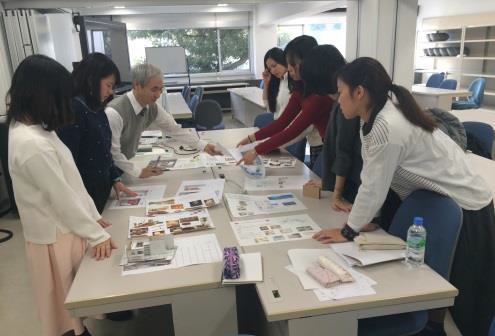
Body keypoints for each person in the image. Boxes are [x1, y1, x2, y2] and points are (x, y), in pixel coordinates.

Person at [313, 57, 495, 336]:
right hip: (441, 197)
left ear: (359, 92)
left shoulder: (387, 125)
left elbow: (373, 185)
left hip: (466, 204)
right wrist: (366, 219)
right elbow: (376, 179)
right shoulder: (375, 118)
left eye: (341, 92)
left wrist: (349, 231)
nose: (338, 100)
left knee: (461, 295)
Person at [7, 54, 116, 336]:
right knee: (64, 313)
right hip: (53, 238)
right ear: (43, 96)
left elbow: (72, 182)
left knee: (74, 306)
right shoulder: (30, 144)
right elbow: (61, 198)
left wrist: (93, 217)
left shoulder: (38, 131)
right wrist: (96, 234)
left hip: (67, 230)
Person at [237, 40, 343, 167]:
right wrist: (251, 139)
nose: (289, 68)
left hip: (334, 147)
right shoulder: (300, 89)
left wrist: (257, 149)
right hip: (328, 145)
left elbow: (293, 130)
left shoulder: (318, 96)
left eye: (293, 64)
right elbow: (282, 122)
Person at [105, 63, 220, 178]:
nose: (158, 94)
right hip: (108, 170)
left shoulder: (150, 106)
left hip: (124, 168)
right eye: (154, 89)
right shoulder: (114, 113)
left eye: (160, 89)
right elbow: (112, 152)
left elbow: (174, 129)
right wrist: (138, 172)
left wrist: (203, 145)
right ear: (137, 85)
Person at [58, 53, 137, 213]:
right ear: (91, 80)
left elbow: (104, 150)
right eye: (108, 85)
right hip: (83, 195)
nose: (110, 91)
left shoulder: (96, 106)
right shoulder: (74, 110)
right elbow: (69, 163)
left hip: (101, 190)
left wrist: (115, 179)